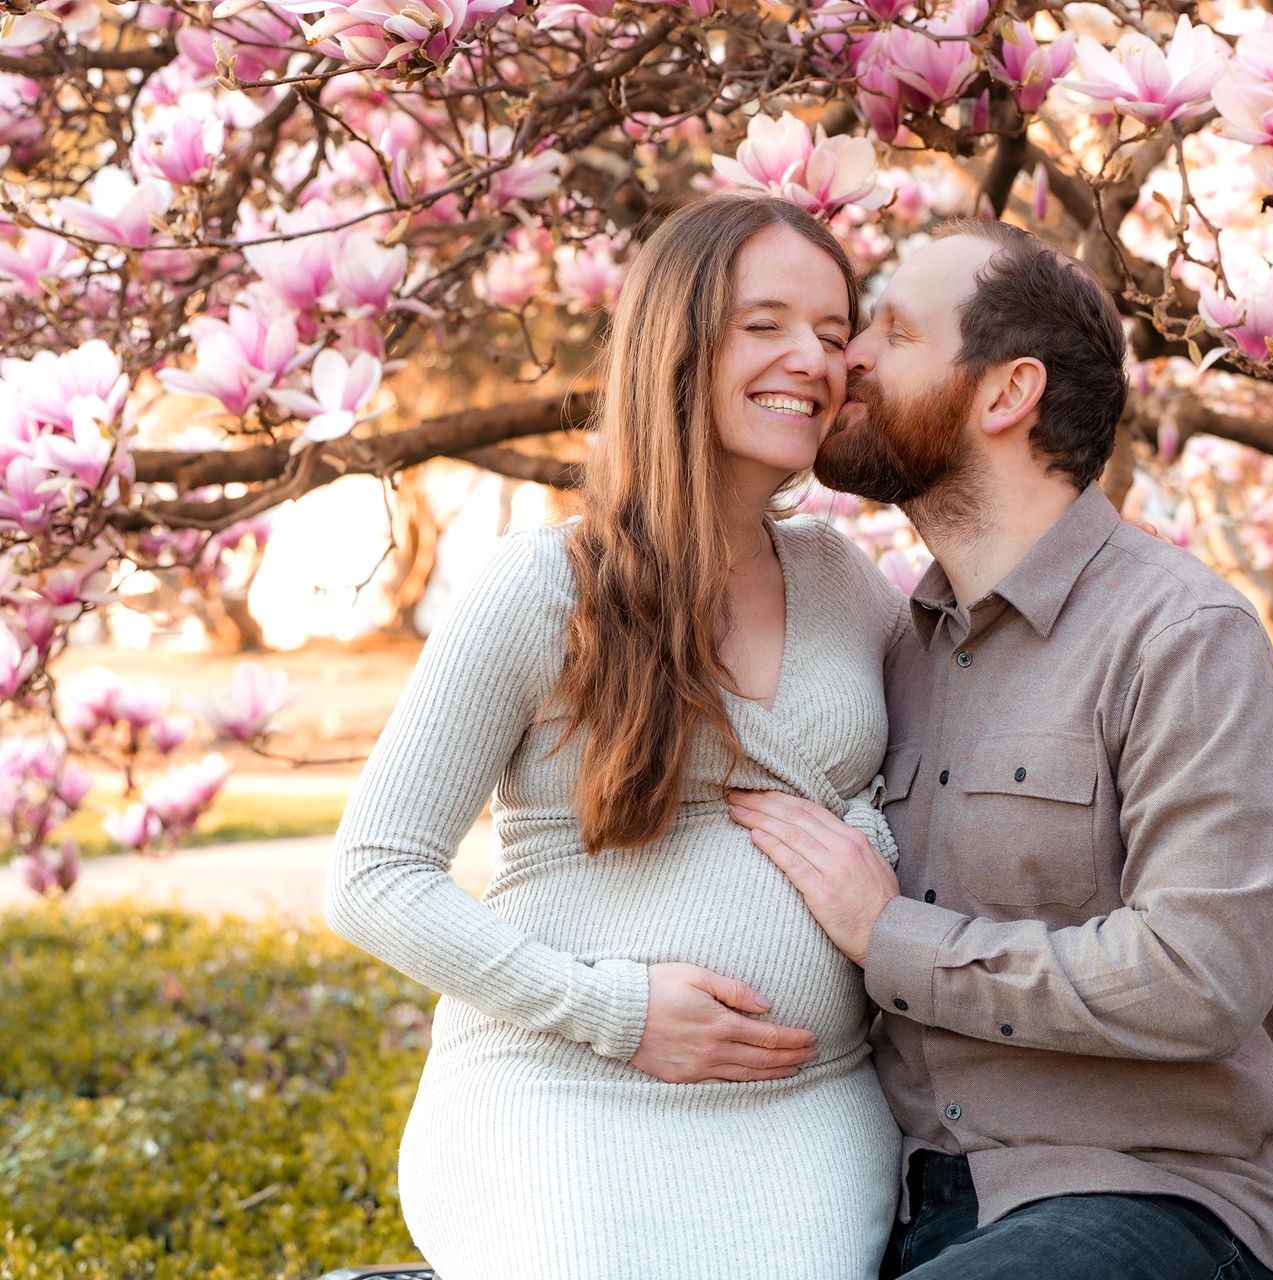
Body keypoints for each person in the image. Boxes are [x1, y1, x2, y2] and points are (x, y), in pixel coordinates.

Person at [324, 192, 909, 1280]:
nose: (815, 360)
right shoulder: (544, 586)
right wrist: (618, 1011)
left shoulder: (845, 582)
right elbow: (373, 873)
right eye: (767, 322)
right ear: (676, 341)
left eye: (834, 334)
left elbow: (928, 784)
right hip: (556, 1086)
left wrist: (866, 837)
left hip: (803, 1108)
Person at [726, 219, 1273, 1280]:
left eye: (892, 331)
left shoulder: (1182, 640)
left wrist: (893, 934)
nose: (846, 358)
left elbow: (1199, 974)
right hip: (900, 1198)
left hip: (1153, 1197)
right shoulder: (884, 648)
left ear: (1005, 395)